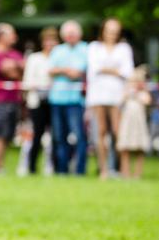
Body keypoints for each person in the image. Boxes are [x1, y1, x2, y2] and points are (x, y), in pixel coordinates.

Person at [85, 18, 134, 179]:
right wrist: (115, 70)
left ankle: (122, 169)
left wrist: (107, 70)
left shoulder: (124, 48)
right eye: (109, 30)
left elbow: (127, 71)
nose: (111, 34)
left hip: (117, 94)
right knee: (101, 131)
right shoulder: (94, 47)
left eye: (115, 31)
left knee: (118, 131)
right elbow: (93, 69)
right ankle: (103, 169)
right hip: (98, 93)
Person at [49, 20, 89, 175]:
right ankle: (61, 170)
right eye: (68, 34)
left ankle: (80, 170)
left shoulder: (86, 49)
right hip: (57, 99)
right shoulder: (58, 50)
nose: (71, 36)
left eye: (73, 33)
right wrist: (67, 71)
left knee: (79, 137)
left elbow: (78, 73)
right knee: (59, 137)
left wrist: (62, 70)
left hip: (76, 101)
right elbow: (51, 70)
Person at [0, 23, 24, 174]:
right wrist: (17, 67)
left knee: (9, 134)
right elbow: (11, 73)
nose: (15, 37)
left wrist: (16, 67)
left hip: (14, 99)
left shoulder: (14, 53)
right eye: (11, 34)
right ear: (1, 36)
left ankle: (2, 165)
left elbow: (20, 71)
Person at [22, 27, 58, 175]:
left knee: (56, 136)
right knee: (37, 135)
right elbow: (27, 81)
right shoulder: (35, 58)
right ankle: (32, 167)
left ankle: (55, 167)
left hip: (55, 100)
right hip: (37, 101)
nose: (50, 44)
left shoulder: (58, 58)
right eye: (47, 40)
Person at [117, 66, 151, 179]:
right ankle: (125, 172)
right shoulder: (126, 93)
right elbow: (119, 103)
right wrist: (128, 92)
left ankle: (137, 173)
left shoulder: (143, 94)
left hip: (139, 125)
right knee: (124, 147)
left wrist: (138, 93)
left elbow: (147, 101)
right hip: (127, 124)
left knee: (139, 148)